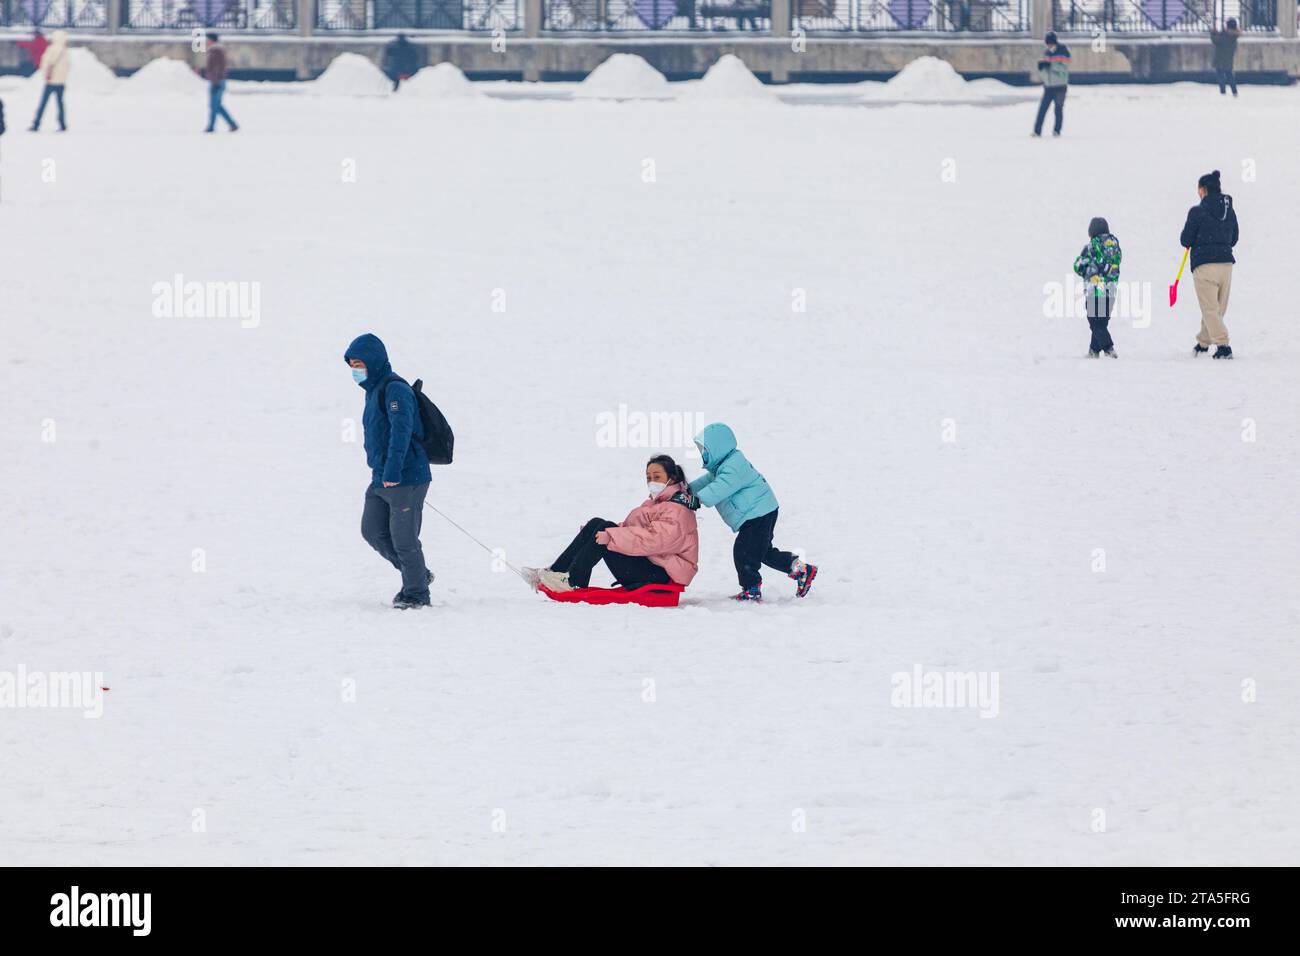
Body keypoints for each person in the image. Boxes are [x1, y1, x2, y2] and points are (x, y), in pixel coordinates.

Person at [344, 333, 434, 608]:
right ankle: (417, 575)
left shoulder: (395, 389)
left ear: (373, 361)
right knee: (372, 531)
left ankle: (416, 593)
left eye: (359, 363)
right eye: (351, 365)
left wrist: (393, 471)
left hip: (406, 477)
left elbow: (401, 432)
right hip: (381, 477)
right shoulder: (373, 391)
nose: (355, 370)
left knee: (405, 540)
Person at [525, 455, 700, 593]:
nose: (651, 481)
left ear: (672, 478)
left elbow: (653, 541)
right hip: (651, 565)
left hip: (661, 575)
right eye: (648, 477)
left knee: (606, 529)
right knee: (597, 524)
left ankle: (573, 582)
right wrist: (594, 532)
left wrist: (611, 534)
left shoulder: (677, 510)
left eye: (657, 476)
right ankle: (555, 572)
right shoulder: (658, 504)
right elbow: (637, 531)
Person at [688, 423, 817, 602]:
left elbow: (721, 487)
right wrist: (685, 490)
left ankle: (751, 589)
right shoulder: (721, 467)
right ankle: (801, 569)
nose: (703, 454)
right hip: (760, 512)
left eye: (705, 450)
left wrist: (697, 499)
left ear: (718, 447)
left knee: (744, 552)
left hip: (758, 514)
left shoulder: (734, 465)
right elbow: (705, 482)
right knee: (762, 552)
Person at [1180, 170, 1239, 359]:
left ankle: (1223, 346)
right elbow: (1235, 237)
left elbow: (1185, 239)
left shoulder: (1197, 211)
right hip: (1226, 265)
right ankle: (1203, 343)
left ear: (1203, 190)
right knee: (1216, 308)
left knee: (1210, 308)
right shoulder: (1229, 210)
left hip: (1204, 266)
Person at [1073, 217, 1123, 358]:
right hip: (1111, 289)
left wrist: (1087, 269)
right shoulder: (1115, 245)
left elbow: (1078, 265)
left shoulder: (1092, 246)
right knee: (1102, 321)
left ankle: (1108, 347)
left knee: (1095, 321)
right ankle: (1093, 350)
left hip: (1095, 289)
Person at [29, 30, 70, 133]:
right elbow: (68, 66)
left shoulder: (51, 49)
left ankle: (36, 124)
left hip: (50, 81)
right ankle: (62, 124)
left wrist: (46, 74)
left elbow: (46, 62)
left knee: (43, 103)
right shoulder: (65, 51)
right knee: (60, 103)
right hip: (61, 82)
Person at [1032, 32, 1071, 138]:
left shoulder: (1063, 52)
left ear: (1055, 42)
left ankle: (1057, 131)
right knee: (1042, 109)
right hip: (1048, 87)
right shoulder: (1047, 53)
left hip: (1060, 86)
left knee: (1058, 109)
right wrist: (1042, 69)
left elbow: (1064, 69)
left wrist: (1051, 66)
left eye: (1050, 43)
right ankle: (1037, 131)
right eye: (1047, 44)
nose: (1049, 46)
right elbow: (1046, 71)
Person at [201, 32, 238, 133]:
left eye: (207, 40)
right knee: (217, 105)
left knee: (214, 105)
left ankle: (211, 126)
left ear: (211, 40)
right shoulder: (216, 50)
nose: (206, 42)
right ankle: (232, 124)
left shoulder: (216, 51)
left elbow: (218, 67)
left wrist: (215, 81)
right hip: (217, 80)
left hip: (217, 81)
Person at [1210, 19, 1242, 97]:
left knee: (1220, 75)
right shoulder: (1234, 36)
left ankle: (1223, 91)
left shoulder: (1225, 35)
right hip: (1228, 58)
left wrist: (1213, 32)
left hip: (1220, 58)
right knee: (1229, 74)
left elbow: (1216, 40)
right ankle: (1234, 91)